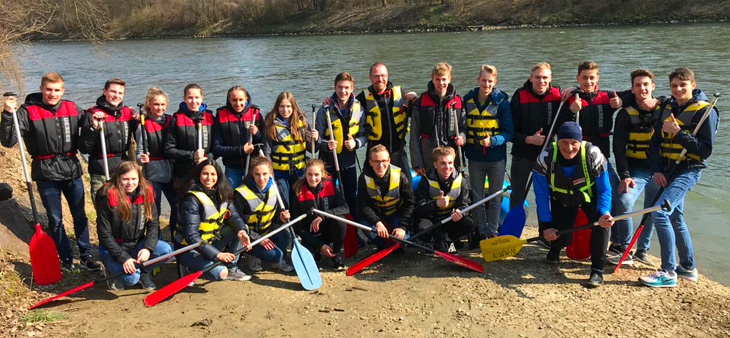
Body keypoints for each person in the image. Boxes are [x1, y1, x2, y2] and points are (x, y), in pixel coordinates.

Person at [0, 72, 99, 271]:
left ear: (62, 91)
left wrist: (95, 120)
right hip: (46, 173)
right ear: (42, 89)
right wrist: (7, 113)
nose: (52, 94)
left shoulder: (71, 108)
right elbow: (8, 140)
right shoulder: (27, 111)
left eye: (56, 90)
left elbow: (89, 118)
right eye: (48, 90)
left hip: (72, 169)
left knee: (79, 215)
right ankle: (65, 258)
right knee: (55, 219)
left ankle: (86, 255)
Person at [639, 68, 718, 288]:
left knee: (659, 212)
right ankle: (687, 267)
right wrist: (656, 170)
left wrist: (678, 133)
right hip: (666, 169)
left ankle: (668, 271)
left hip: (688, 168)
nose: (678, 89)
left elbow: (704, 151)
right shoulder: (667, 107)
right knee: (675, 217)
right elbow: (654, 144)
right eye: (674, 85)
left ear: (693, 84)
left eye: (683, 85)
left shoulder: (706, 111)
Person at [533, 121, 615, 288]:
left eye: (573, 143)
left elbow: (604, 189)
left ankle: (597, 270)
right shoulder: (545, 158)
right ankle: (555, 250)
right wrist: (546, 225)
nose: (568, 148)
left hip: (588, 198)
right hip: (561, 199)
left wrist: (604, 212)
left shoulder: (594, 154)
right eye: (564, 142)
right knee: (560, 236)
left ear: (580, 142)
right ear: (556, 141)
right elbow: (541, 195)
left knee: (602, 225)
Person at [607, 69, 661, 266]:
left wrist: (658, 104)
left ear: (653, 86)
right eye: (638, 85)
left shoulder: (664, 108)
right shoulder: (624, 114)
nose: (642, 88)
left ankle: (643, 249)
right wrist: (625, 175)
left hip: (659, 170)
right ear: (632, 89)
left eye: (646, 84)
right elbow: (618, 148)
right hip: (635, 169)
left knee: (653, 209)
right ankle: (624, 246)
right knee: (623, 201)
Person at [95, 161, 173, 291]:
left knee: (166, 250)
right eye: (125, 179)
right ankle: (110, 270)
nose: (130, 183)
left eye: (133, 179)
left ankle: (144, 272)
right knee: (131, 279)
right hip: (113, 249)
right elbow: (104, 236)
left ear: (139, 178)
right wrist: (124, 258)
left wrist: (147, 248)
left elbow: (153, 225)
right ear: (118, 178)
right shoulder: (106, 196)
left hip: (136, 244)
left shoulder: (146, 193)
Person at [175, 159, 252, 281]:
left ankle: (231, 266)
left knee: (242, 228)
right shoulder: (191, 200)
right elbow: (191, 237)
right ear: (198, 175)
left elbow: (234, 216)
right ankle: (188, 266)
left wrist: (241, 232)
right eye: (205, 173)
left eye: (213, 174)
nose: (209, 178)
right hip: (190, 249)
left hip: (209, 244)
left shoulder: (222, 193)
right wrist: (218, 254)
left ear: (218, 176)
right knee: (221, 273)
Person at [461, 65, 513, 240]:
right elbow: (463, 127)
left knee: (495, 196)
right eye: (483, 80)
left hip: (496, 158)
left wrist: (493, 141)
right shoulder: (467, 101)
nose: (486, 84)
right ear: (478, 81)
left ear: (495, 82)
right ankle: (480, 230)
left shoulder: (502, 103)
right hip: (475, 158)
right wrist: (462, 137)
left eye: (490, 81)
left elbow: (508, 132)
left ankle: (492, 231)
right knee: (477, 196)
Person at [509, 62, 562, 210]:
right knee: (517, 194)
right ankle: (514, 230)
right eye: (537, 77)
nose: (541, 81)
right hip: (522, 154)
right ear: (531, 78)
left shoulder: (558, 95)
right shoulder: (519, 96)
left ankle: (545, 229)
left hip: (547, 153)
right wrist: (528, 139)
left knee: (546, 193)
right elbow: (510, 132)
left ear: (550, 78)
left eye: (545, 77)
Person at [314, 72, 366, 222]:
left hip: (348, 161)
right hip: (328, 161)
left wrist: (356, 143)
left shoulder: (359, 109)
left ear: (352, 88)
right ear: (335, 87)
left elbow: (364, 134)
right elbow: (317, 140)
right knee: (327, 196)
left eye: (346, 88)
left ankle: (354, 228)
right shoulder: (324, 110)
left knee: (350, 195)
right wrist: (325, 144)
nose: (343, 91)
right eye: (339, 87)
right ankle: (328, 227)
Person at [356, 62, 417, 185]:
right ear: (370, 77)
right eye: (376, 76)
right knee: (368, 183)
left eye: (383, 75)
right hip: (374, 152)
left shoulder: (400, 94)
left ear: (387, 76)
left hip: (398, 150)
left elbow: (416, 114)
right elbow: (347, 107)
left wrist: (415, 100)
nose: (380, 79)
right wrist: (330, 99)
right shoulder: (362, 98)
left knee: (406, 184)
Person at [234, 155, 294, 273]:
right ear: (252, 173)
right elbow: (237, 223)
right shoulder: (240, 193)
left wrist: (281, 218)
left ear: (270, 173)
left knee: (287, 235)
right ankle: (253, 255)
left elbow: (276, 217)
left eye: (265, 174)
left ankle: (276, 261)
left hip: (267, 232)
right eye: (257, 174)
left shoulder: (275, 189)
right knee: (276, 255)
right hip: (250, 237)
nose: (261, 178)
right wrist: (258, 238)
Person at [79, 78, 135, 201]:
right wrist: (93, 127)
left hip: (123, 171)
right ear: (104, 91)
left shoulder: (127, 113)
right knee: (103, 208)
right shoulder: (92, 114)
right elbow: (84, 148)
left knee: (125, 209)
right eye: (113, 92)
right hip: (101, 170)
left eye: (120, 93)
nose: (116, 96)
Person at [290, 159, 349, 270]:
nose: (313, 178)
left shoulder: (330, 187)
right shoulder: (298, 192)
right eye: (309, 174)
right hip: (310, 235)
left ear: (322, 174)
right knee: (307, 260)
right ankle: (316, 250)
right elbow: (298, 227)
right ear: (305, 174)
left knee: (340, 221)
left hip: (327, 230)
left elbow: (345, 208)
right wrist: (320, 246)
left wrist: (322, 216)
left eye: (316, 175)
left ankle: (335, 254)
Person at [414, 147, 473, 253]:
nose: (447, 167)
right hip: (431, 220)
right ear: (435, 165)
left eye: (450, 163)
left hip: (448, 219)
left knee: (468, 223)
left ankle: (448, 240)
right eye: (442, 163)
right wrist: (436, 204)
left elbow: (465, 204)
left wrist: (460, 211)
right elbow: (419, 208)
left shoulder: (461, 181)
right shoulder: (426, 180)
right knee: (421, 227)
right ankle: (431, 241)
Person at [135, 87, 177, 239]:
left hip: (171, 172)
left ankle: (175, 238)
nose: (160, 108)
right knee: (154, 211)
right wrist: (142, 158)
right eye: (156, 104)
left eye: (162, 104)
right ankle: (155, 241)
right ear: (149, 105)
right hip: (152, 173)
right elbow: (138, 154)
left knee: (177, 207)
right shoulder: (143, 125)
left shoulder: (171, 121)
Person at [410, 62, 465, 174]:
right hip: (428, 156)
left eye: (444, 79)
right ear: (432, 79)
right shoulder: (421, 102)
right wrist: (417, 163)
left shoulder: (458, 102)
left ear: (449, 79)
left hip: (451, 155)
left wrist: (462, 138)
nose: (441, 83)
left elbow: (464, 127)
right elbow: (414, 135)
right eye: (438, 79)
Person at [357, 145, 415, 250]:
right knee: (364, 224)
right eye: (376, 161)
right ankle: (381, 245)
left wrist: (402, 227)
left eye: (384, 161)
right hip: (377, 215)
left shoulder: (400, 177)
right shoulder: (363, 179)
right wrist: (376, 222)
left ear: (389, 161)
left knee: (400, 244)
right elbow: (363, 206)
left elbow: (410, 203)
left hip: (395, 213)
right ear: (370, 162)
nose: (380, 165)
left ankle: (400, 242)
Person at [262, 91, 309, 207]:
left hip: (300, 172)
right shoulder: (270, 125)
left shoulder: (302, 122)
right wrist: (269, 170)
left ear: (293, 107)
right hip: (280, 173)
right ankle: (287, 223)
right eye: (282, 106)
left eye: (288, 106)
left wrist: (316, 139)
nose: (285, 110)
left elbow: (313, 148)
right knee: (285, 201)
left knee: (300, 203)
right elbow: (267, 152)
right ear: (277, 107)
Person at [212, 86, 264, 188]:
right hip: (232, 168)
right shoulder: (221, 115)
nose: (238, 103)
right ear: (229, 100)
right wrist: (241, 150)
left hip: (253, 167)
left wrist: (257, 133)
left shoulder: (255, 113)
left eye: (241, 100)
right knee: (231, 198)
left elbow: (264, 141)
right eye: (234, 100)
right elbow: (217, 148)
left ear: (246, 99)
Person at [164, 84, 214, 182]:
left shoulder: (211, 118)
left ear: (202, 98)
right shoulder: (176, 120)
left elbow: (216, 147)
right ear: (184, 99)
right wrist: (192, 155)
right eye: (190, 98)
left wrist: (207, 158)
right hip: (184, 173)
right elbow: (169, 150)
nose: (194, 101)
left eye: (197, 97)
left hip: (207, 171)